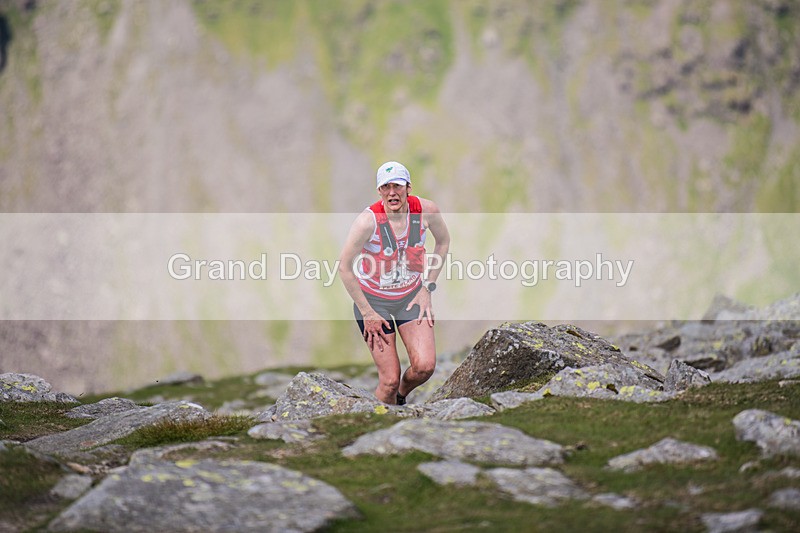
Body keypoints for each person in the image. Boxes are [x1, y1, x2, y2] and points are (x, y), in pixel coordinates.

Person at [338, 161, 450, 405]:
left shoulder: (426, 210)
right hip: (374, 304)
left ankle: (401, 396)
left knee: (424, 367)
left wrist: (427, 287)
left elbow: (443, 242)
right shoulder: (367, 222)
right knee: (388, 381)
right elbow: (344, 268)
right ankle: (378, 428)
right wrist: (368, 312)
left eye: (397, 186)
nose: (392, 193)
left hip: (411, 298)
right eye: (385, 187)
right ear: (379, 191)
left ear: (408, 187)